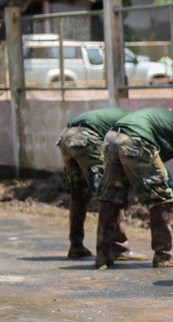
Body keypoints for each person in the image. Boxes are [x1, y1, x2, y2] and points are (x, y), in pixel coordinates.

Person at [95, 102, 173, 269]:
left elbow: (157, 160)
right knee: (160, 200)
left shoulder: (170, 118)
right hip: (136, 140)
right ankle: (164, 255)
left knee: (110, 196)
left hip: (112, 138)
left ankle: (103, 255)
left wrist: (170, 188)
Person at [57, 107, 133, 259]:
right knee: (109, 192)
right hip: (86, 137)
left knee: (78, 194)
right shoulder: (133, 123)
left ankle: (76, 246)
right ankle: (119, 247)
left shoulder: (127, 116)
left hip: (66, 136)